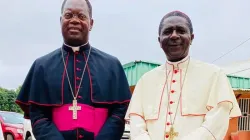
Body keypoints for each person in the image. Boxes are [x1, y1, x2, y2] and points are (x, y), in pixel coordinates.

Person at [15, 0, 131, 139]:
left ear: (91, 23)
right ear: (60, 21)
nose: (74, 20)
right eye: (68, 15)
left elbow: (119, 113)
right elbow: (38, 114)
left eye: (81, 16)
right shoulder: (42, 66)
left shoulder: (112, 65)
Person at [125, 10, 242, 140]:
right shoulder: (145, 81)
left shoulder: (214, 75)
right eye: (168, 31)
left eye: (181, 30)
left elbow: (216, 125)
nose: (174, 36)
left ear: (191, 38)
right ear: (159, 40)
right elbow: (137, 126)